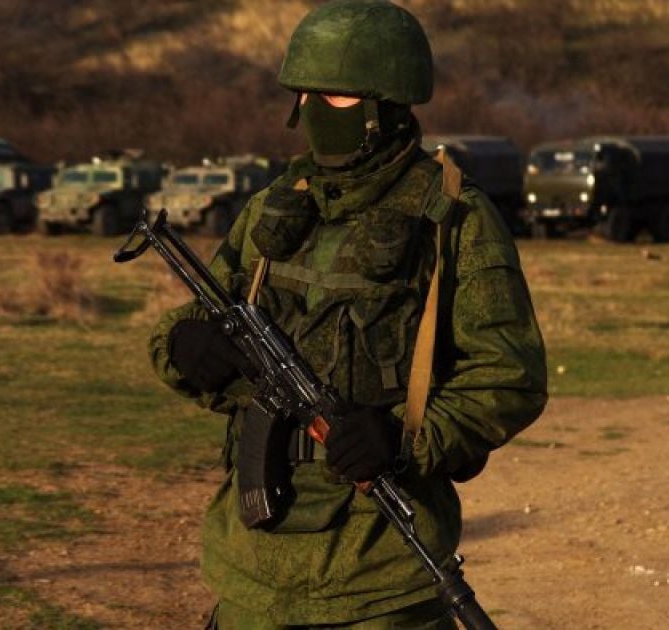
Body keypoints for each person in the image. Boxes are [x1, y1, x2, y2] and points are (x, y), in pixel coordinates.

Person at [148, 1, 547, 627]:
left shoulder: (453, 218)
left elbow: (509, 378)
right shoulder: (275, 208)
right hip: (251, 565)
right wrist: (182, 345)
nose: (312, 110)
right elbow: (197, 315)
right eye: (305, 94)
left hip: (379, 574)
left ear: (385, 106)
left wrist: (404, 440)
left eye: (334, 97)